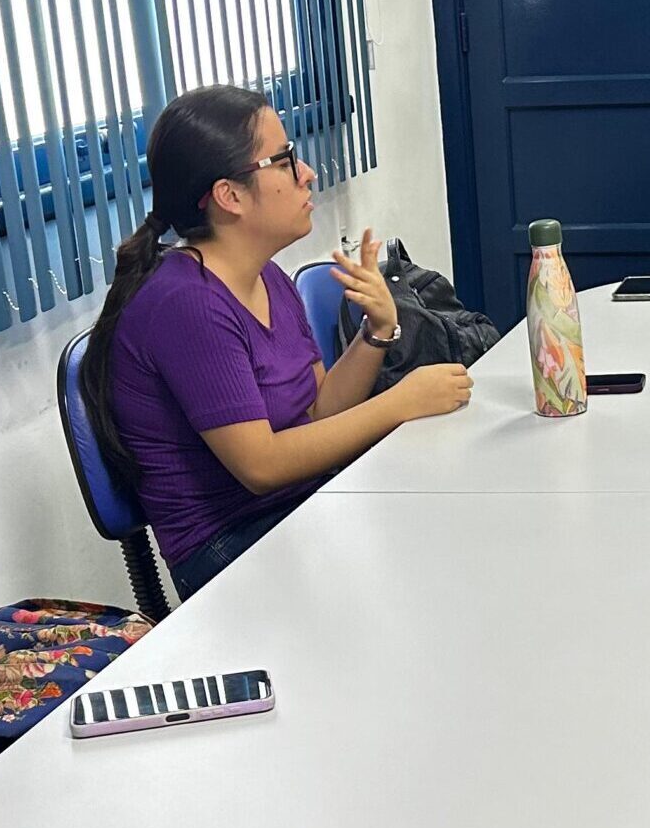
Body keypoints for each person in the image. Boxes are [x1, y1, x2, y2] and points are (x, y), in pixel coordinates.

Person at [84, 85, 472, 596]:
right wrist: (399, 404)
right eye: (285, 160)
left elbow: (318, 413)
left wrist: (376, 332)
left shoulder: (268, 279)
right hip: (228, 548)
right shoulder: (186, 304)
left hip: (299, 507)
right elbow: (262, 466)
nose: (307, 172)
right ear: (230, 195)